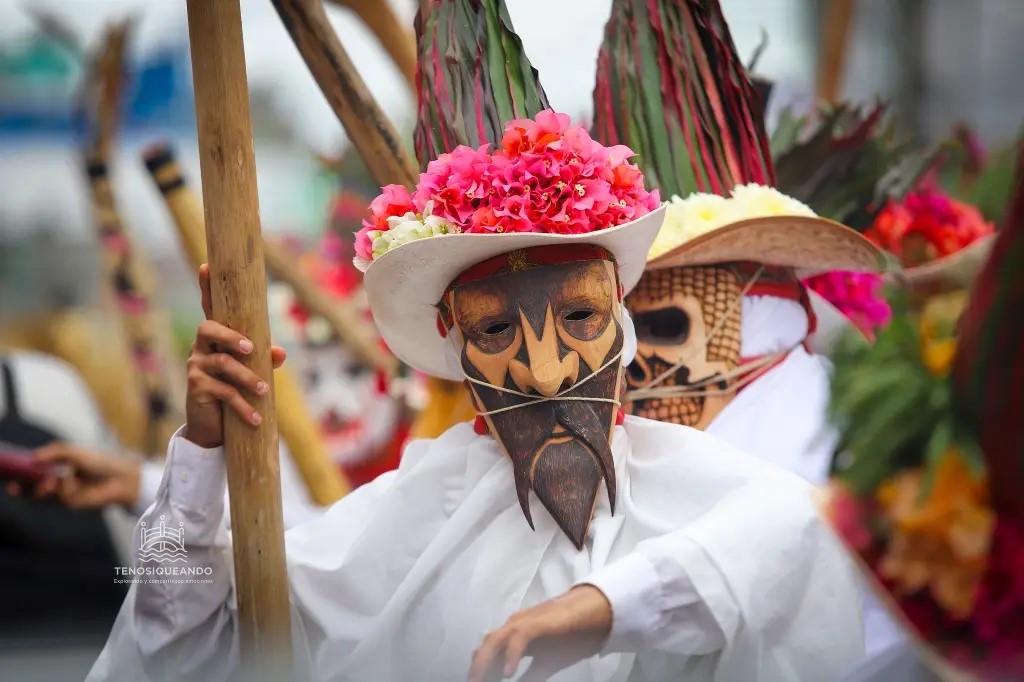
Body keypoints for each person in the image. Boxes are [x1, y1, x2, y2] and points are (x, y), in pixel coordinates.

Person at [89, 112, 863, 682]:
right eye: (496, 333)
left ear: (624, 332)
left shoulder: (717, 497)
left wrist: (607, 608)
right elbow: (165, 641)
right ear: (456, 351)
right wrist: (197, 462)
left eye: (580, 318)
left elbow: (805, 537)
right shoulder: (394, 525)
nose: (548, 373)